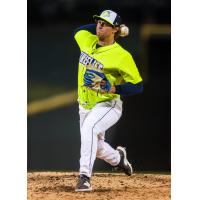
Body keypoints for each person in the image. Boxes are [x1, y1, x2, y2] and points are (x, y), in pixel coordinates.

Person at [73, 10, 143, 192]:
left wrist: (115, 88)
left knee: (89, 129)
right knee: (94, 145)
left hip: (108, 104)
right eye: (98, 22)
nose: (99, 25)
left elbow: (138, 86)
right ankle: (118, 158)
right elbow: (79, 30)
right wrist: (110, 29)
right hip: (85, 104)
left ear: (115, 30)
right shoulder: (86, 40)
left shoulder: (122, 56)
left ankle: (84, 177)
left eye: (105, 23)